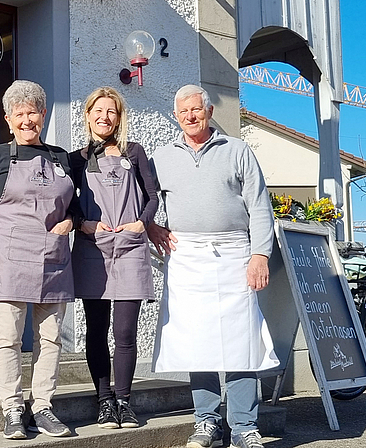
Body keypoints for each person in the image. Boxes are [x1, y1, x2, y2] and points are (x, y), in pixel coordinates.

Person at [148, 84, 279, 448]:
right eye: (183, 111)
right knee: (197, 341)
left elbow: (258, 206)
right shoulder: (161, 157)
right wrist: (151, 226)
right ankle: (206, 422)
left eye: (197, 109)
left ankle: (243, 427)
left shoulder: (237, 150)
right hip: (187, 257)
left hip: (236, 254)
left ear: (208, 111)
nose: (191, 116)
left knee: (241, 342)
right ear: (176, 116)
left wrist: (260, 254)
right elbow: (142, 199)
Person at [0, 80, 79, 440]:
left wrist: (72, 221)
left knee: (51, 339)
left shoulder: (61, 157)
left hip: (54, 258)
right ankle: (13, 409)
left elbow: (77, 206)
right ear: (8, 119)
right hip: (12, 258)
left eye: (32, 112)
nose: (27, 119)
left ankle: (43, 406)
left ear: (43, 114)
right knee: (8, 339)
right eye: (19, 114)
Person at [70, 87, 158, 429]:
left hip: (131, 249)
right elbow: (68, 202)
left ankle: (124, 401)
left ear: (119, 118)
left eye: (112, 112)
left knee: (125, 332)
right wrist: (85, 223)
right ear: (88, 114)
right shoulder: (77, 158)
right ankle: (104, 400)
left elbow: (152, 196)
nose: (105, 117)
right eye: (99, 111)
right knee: (96, 330)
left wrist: (142, 223)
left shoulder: (133, 152)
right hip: (94, 249)